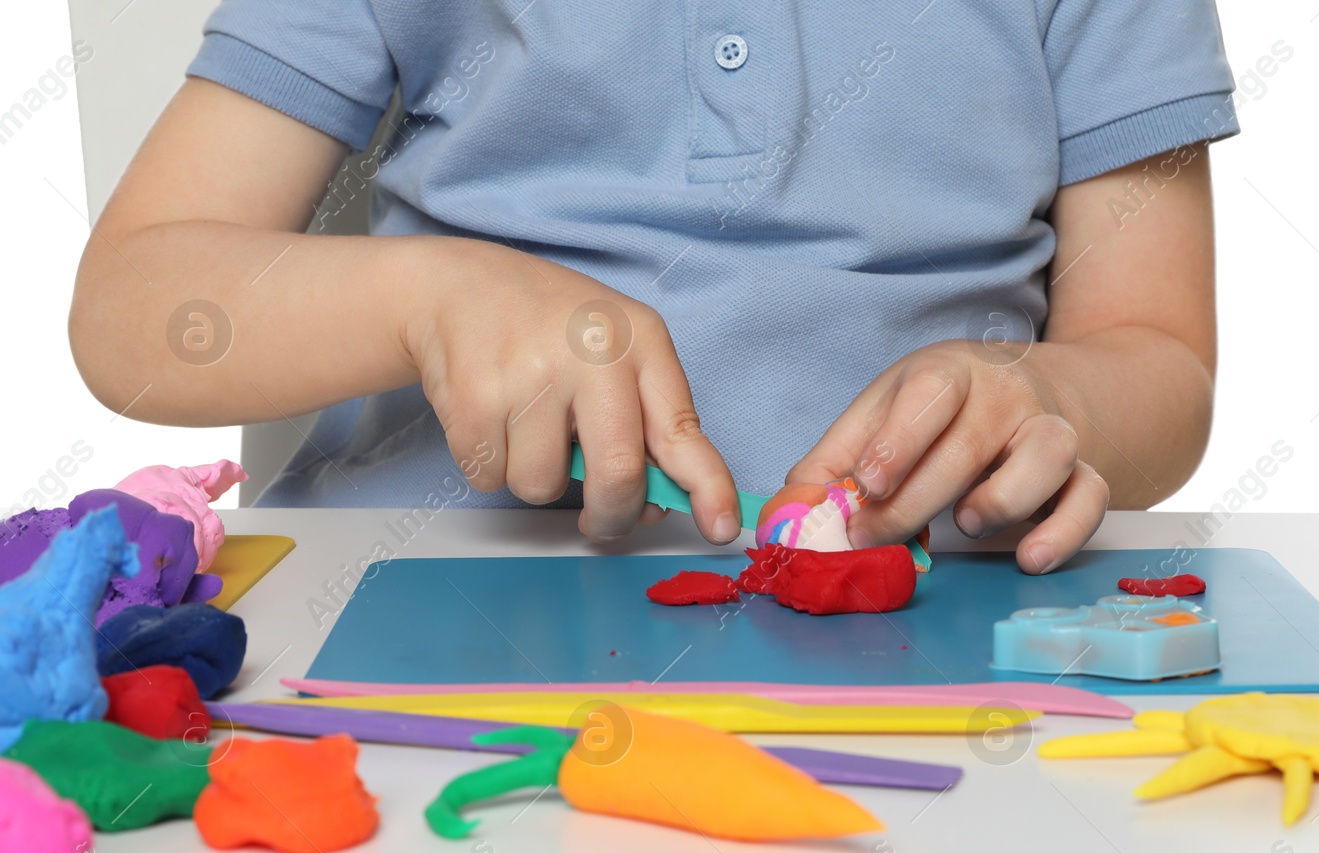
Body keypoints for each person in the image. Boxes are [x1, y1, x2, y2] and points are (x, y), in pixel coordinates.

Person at [69, 0, 1238, 574]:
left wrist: (1055, 399)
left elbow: (1156, 353)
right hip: (423, 610)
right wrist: (428, 296)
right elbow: (133, 308)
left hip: (942, 632)